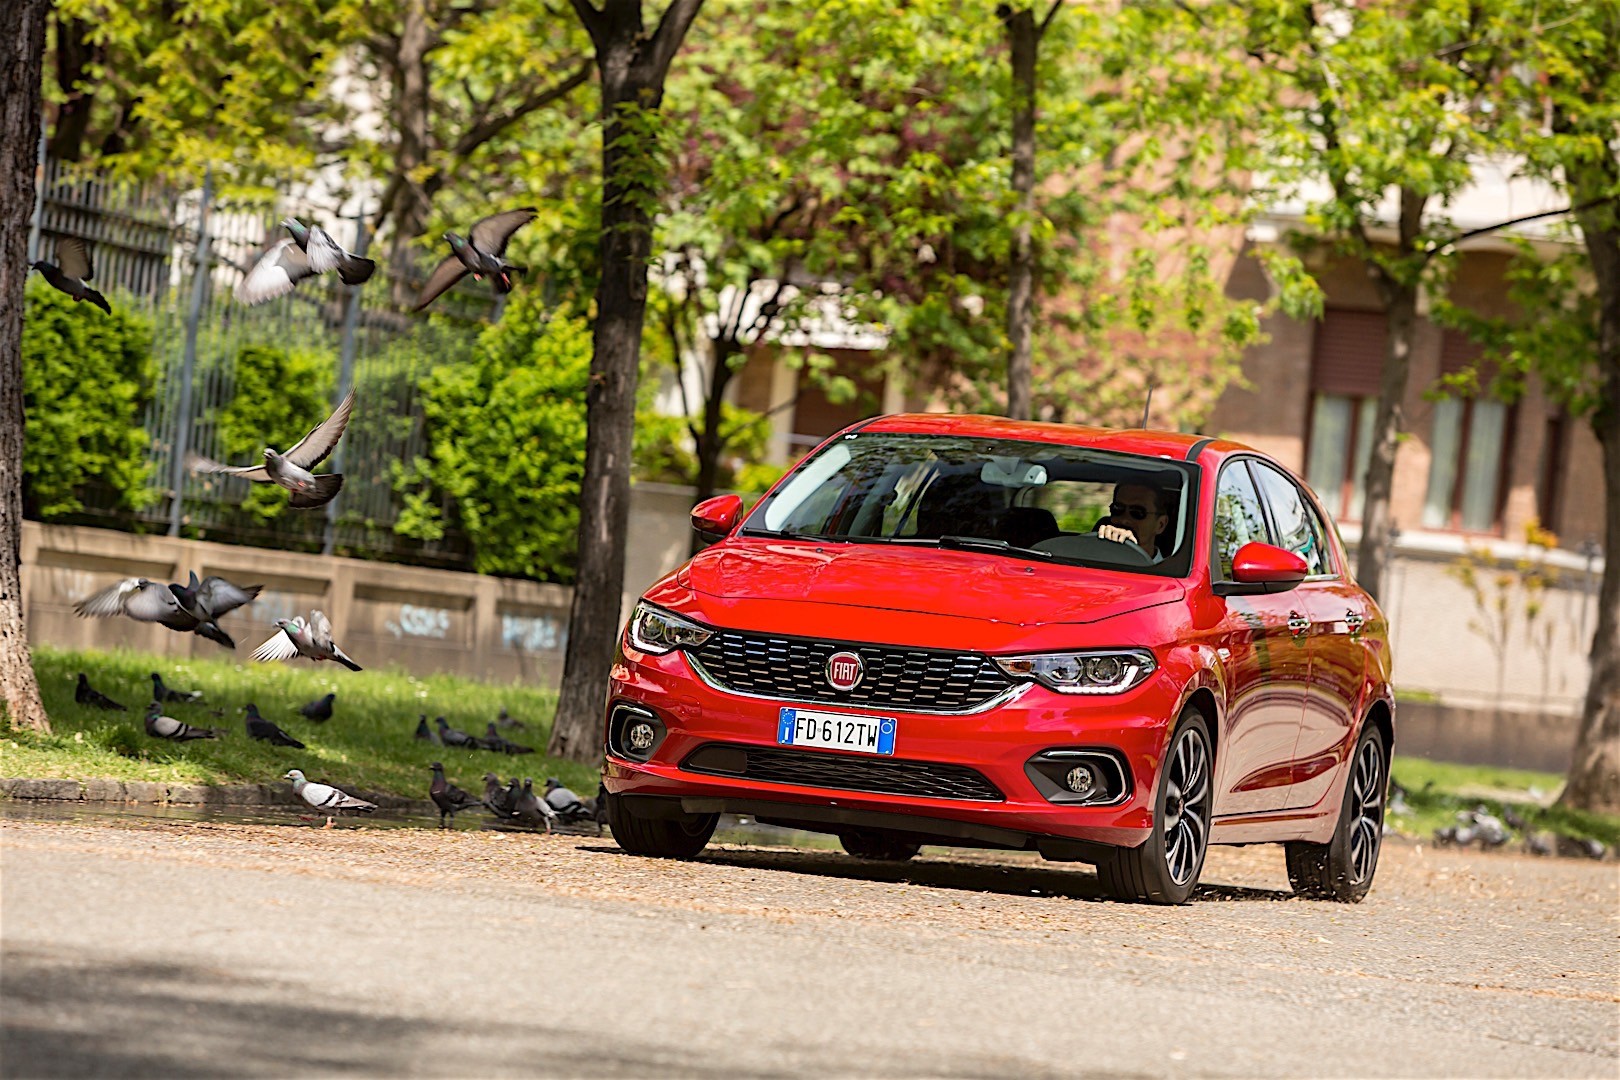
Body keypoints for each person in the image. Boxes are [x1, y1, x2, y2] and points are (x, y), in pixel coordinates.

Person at [1097, 481, 1170, 562]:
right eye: (1117, 509)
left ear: (1160, 525)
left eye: (1137, 512)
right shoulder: (1096, 555)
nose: (1124, 520)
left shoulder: (1168, 569)